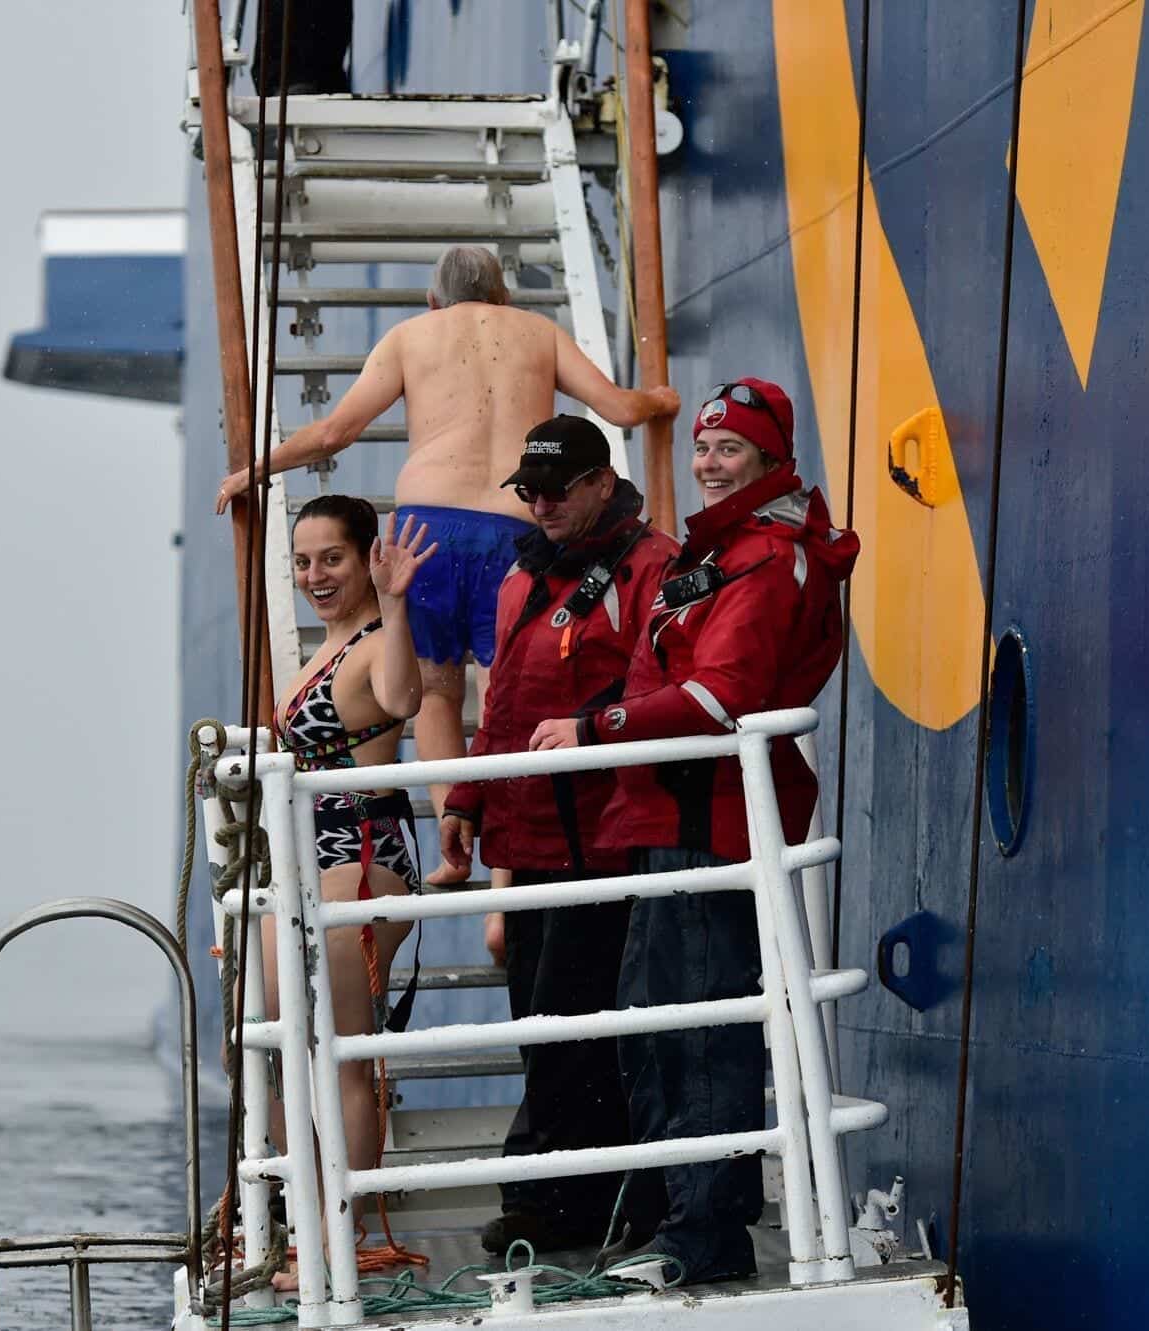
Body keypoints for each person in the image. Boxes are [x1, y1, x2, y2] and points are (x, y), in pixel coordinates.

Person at [527, 379, 859, 1284]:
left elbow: (723, 696)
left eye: (730, 452)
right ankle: (677, 1219)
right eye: (704, 449)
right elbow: (665, 679)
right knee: (655, 1024)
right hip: (667, 812)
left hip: (711, 818)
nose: (709, 465)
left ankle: (706, 1236)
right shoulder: (720, 554)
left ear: (769, 460)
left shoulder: (769, 557)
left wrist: (599, 729)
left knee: (704, 1030)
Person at [217, 246, 681, 880]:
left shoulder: (411, 337)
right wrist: (659, 401)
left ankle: (451, 845)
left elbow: (334, 434)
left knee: (436, 693)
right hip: (516, 532)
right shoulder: (538, 333)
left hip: (425, 531)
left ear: (433, 301)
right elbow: (622, 410)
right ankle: (505, 874)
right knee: (504, 694)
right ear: (504, 297)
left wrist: (254, 471)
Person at [434, 415, 679, 1255]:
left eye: (554, 489)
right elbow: (500, 703)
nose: (538, 504)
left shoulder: (652, 567)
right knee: (546, 1026)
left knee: (587, 1024)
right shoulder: (521, 580)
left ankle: (561, 1201)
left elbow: (659, 685)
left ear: (601, 483)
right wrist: (467, 798)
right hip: (531, 839)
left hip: (608, 841)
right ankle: (574, 1202)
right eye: (528, 491)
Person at [263, 496, 436, 1261]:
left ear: (366, 556)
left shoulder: (372, 644)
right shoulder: (324, 647)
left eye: (331, 558)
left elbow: (403, 698)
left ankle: (346, 1226)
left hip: (359, 857)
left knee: (343, 1051)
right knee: (279, 1047)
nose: (314, 575)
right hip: (306, 861)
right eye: (302, 561)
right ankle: (299, 1218)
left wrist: (396, 605)